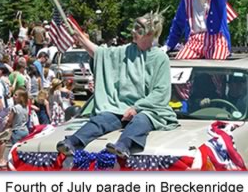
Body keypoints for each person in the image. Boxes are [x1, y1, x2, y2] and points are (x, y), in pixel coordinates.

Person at [57, 9, 178, 158]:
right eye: (133, 27)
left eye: (138, 29)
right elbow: (100, 54)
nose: (133, 31)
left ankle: (123, 146)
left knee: (141, 120)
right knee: (103, 118)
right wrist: (79, 36)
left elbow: (160, 92)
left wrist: (136, 107)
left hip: (150, 110)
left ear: (149, 33)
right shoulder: (125, 51)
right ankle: (72, 142)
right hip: (120, 107)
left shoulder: (160, 58)